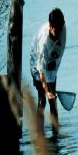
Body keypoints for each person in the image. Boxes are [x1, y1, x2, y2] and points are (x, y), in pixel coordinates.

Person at [29, 8, 66, 136]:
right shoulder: (43, 43)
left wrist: (52, 88)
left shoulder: (62, 29)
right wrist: (47, 90)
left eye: (60, 30)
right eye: (56, 31)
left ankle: (56, 135)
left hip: (52, 61)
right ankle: (39, 135)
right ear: (50, 26)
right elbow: (41, 71)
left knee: (53, 101)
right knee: (43, 98)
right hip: (37, 62)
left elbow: (58, 57)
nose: (58, 34)